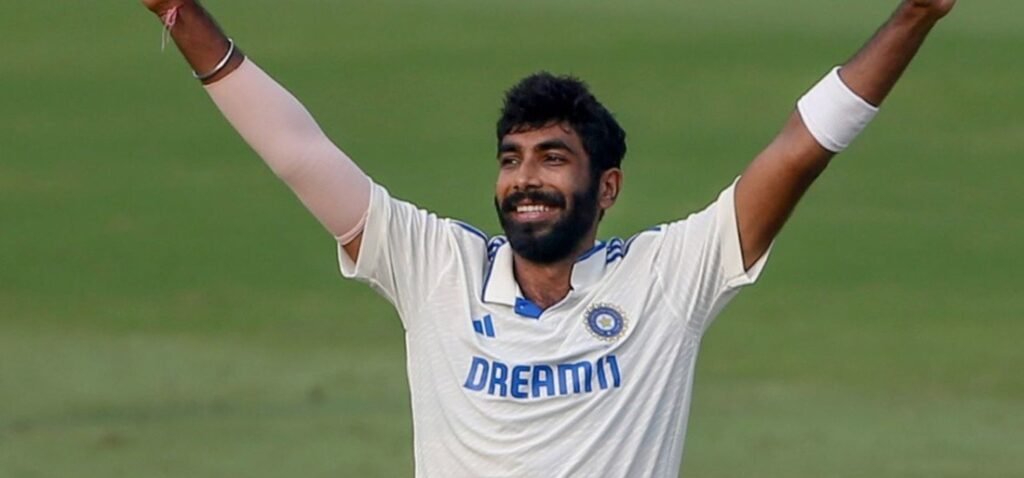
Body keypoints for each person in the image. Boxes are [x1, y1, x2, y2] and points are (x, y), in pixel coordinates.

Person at [141, 0, 957, 476]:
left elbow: (799, 148)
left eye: (553, 158)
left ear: (605, 188)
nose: (526, 180)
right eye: (512, 159)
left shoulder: (666, 279)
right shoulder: (434, 267)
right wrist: (183, 16)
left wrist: (915, 13)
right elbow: (298, 151)